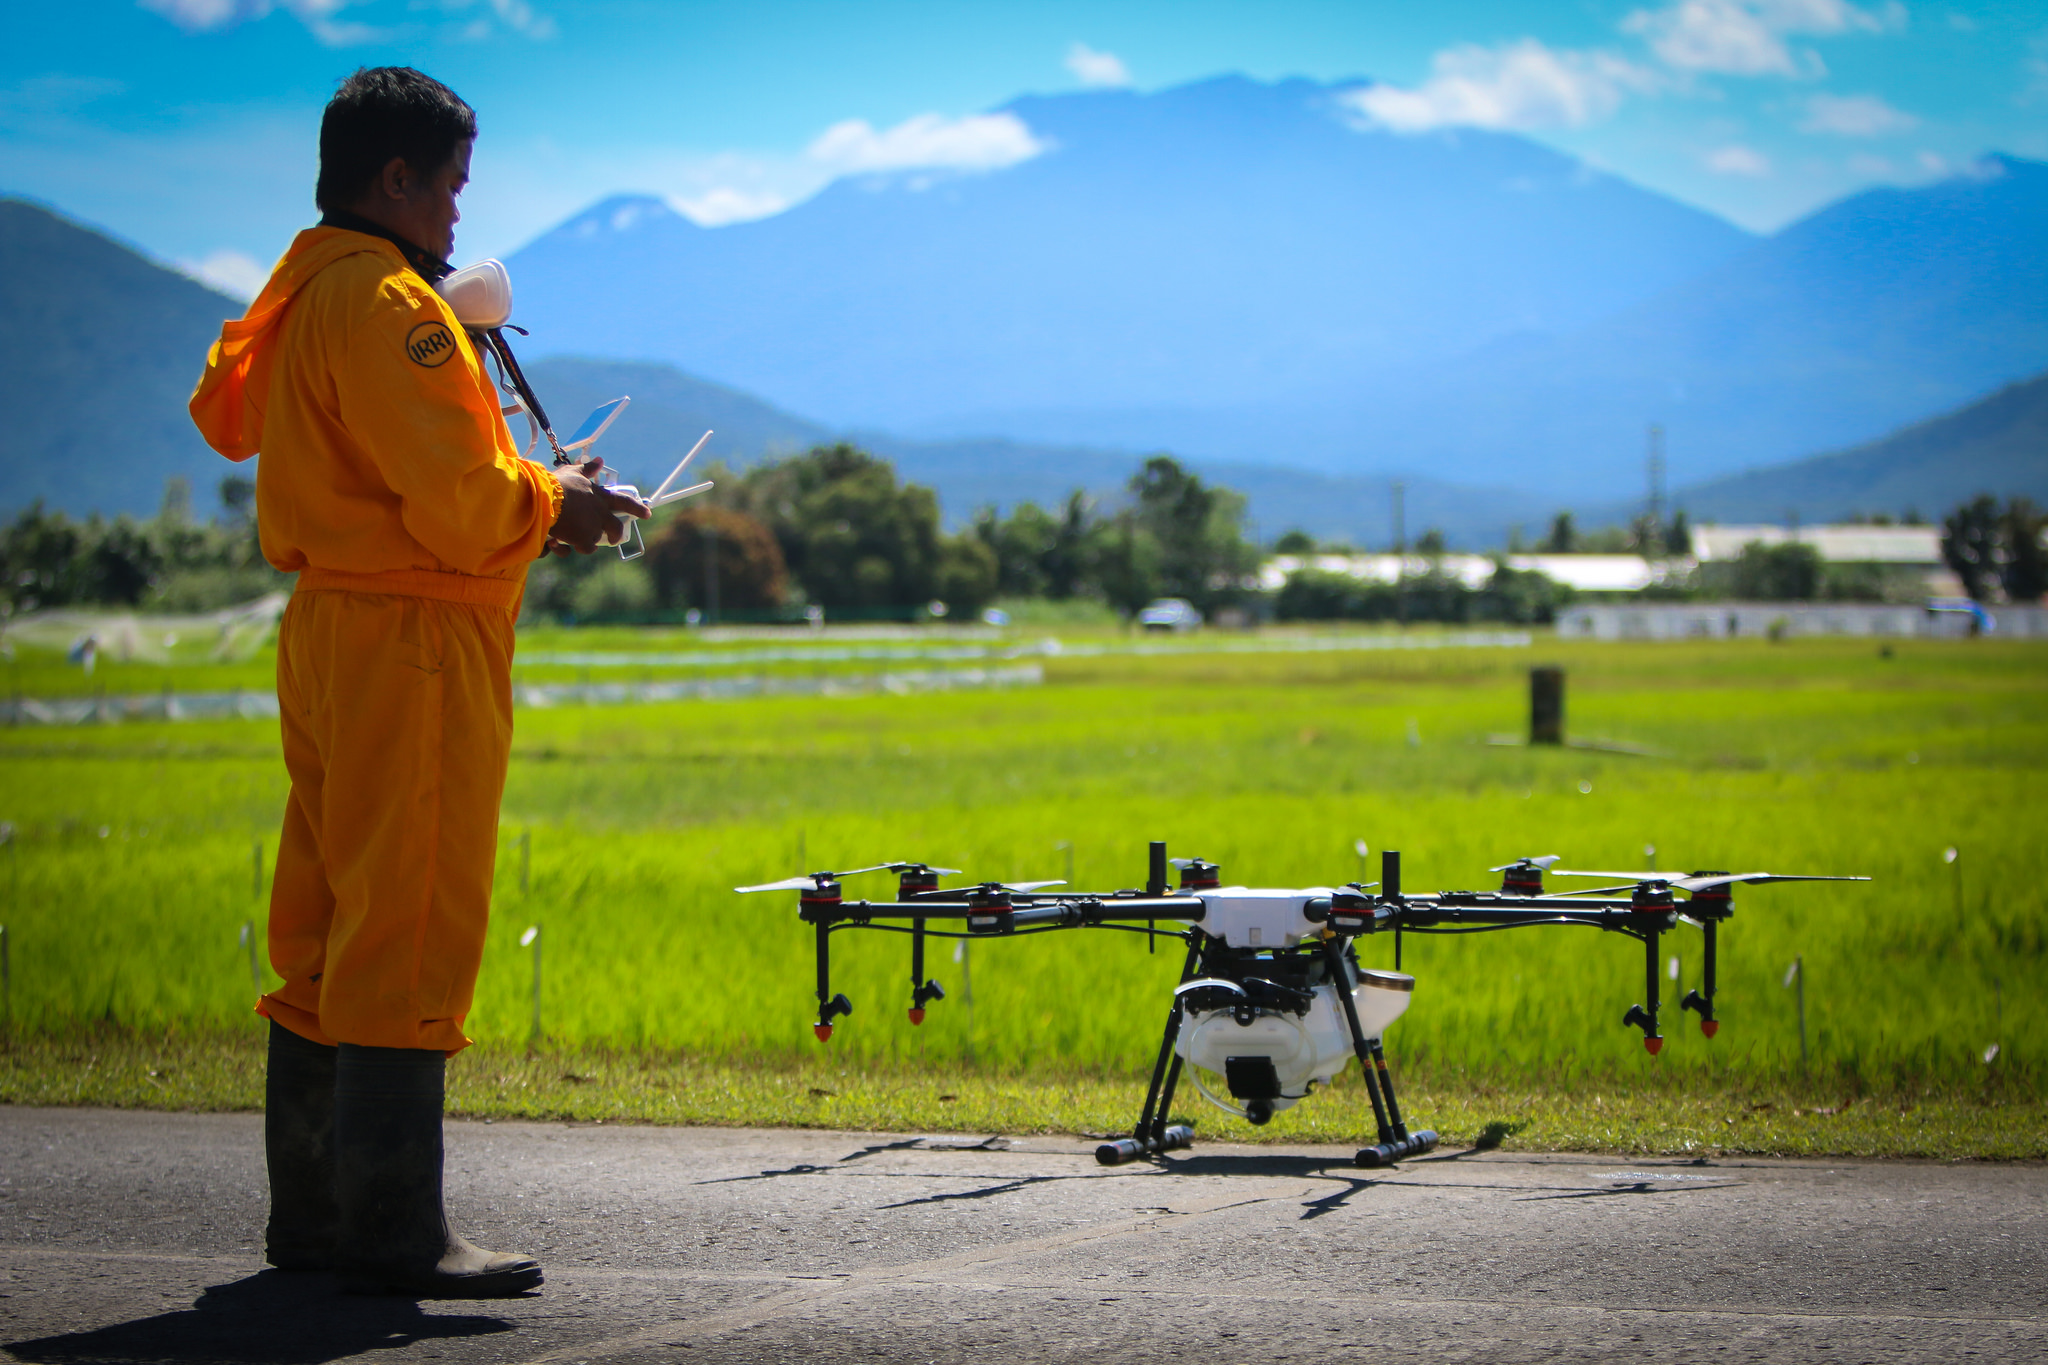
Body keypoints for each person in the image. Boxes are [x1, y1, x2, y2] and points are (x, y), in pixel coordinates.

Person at [188, 66, 646, 1298]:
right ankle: (396, 1231)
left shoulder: (306, 292)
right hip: (415, 634)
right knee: (412, 906)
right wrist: (565, 502)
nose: (457, 216)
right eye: (449, 188)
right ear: (396, 178)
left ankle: (317, 1220)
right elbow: (458, 507)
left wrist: (531, 489)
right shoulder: (396, 304)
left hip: (332, 626)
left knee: (328, 909)